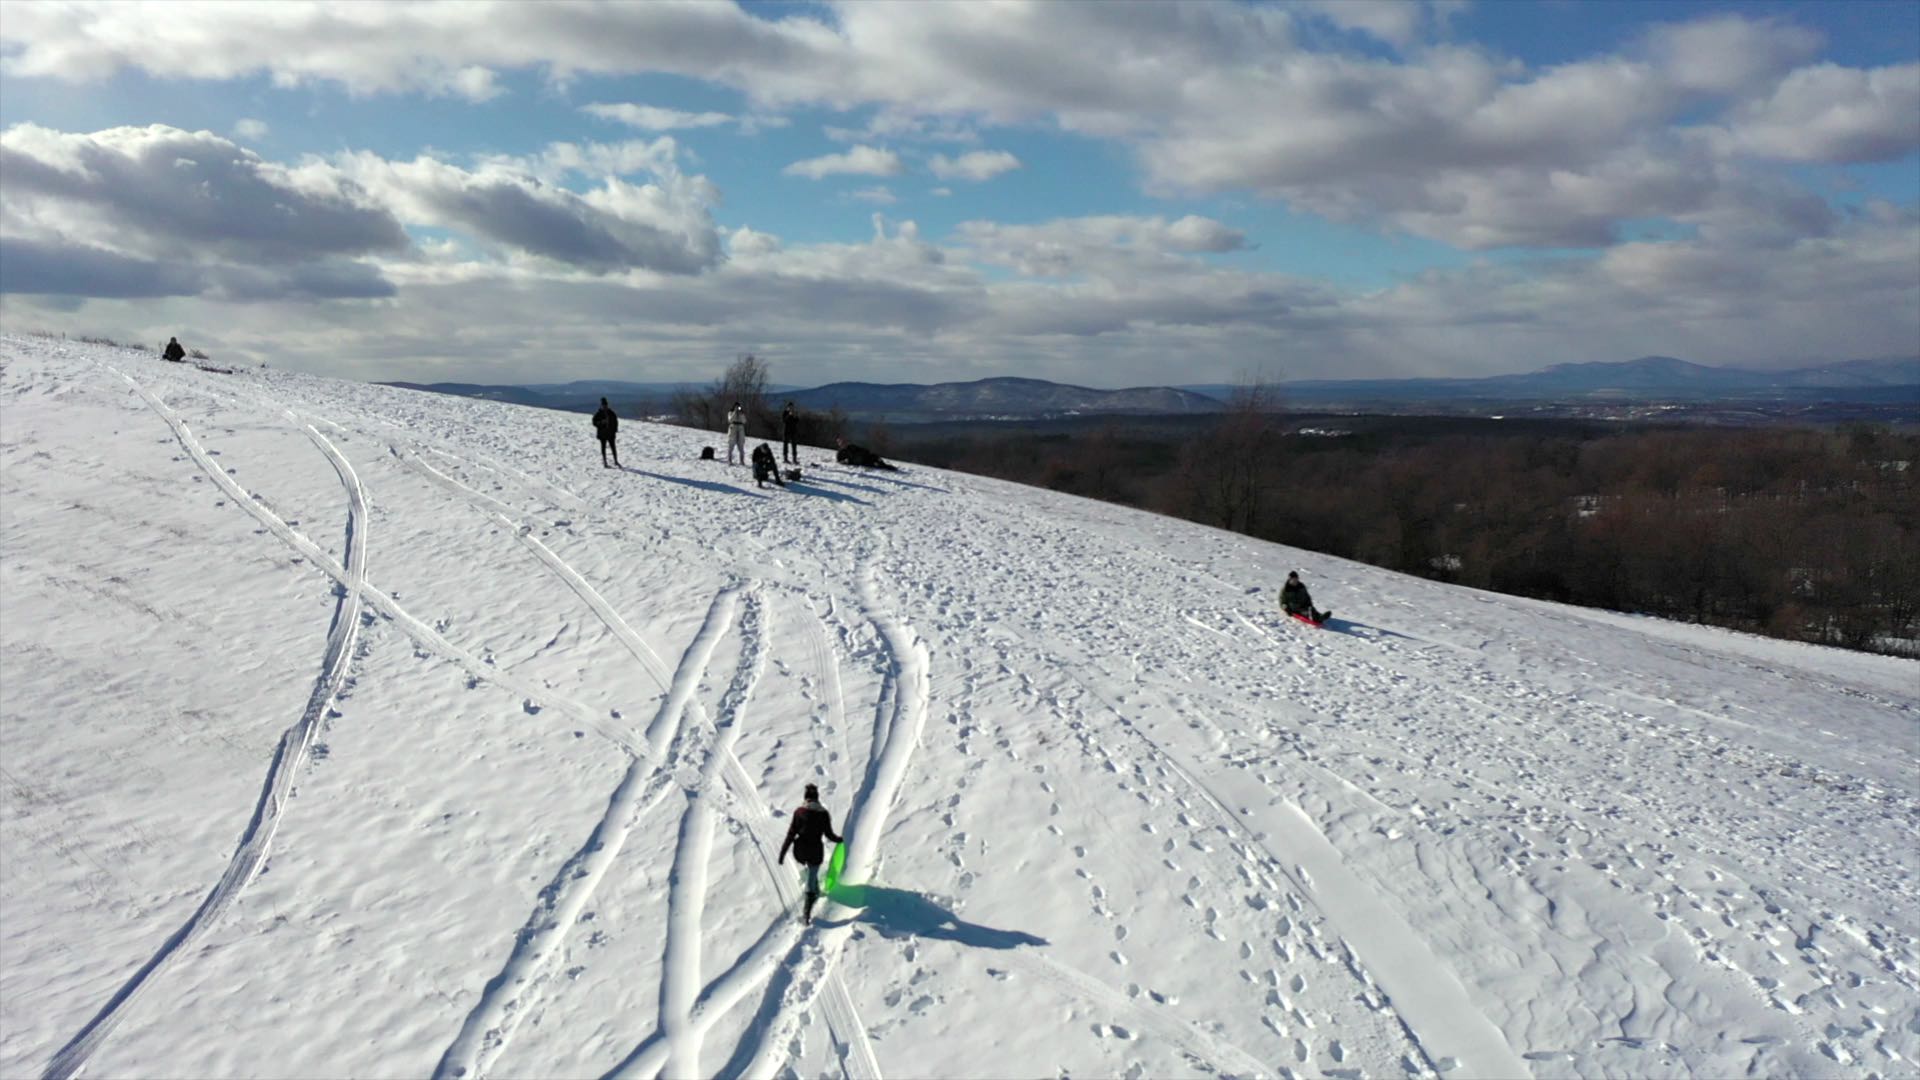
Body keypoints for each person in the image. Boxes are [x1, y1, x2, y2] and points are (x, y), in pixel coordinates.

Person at [777, 783, 843, 925]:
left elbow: (791, 834)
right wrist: (841, 840)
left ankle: (816, 890)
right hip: (815, 851)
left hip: (800, 851)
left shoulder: (799, 812)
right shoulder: (823, 814)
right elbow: (829, 835)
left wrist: (782, 853)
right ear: (817, 798)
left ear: (806, 798)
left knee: (811, 871)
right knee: (812, 875)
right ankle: (806, 913)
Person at [591, 397, 620, 468]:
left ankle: (616, 461)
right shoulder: (598, 414)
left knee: (613, 447)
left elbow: (615, 422)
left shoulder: (611, 413)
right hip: (602, 434)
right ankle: (605, 461)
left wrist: (615, 430)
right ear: (601, 406)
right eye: (603, 405)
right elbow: (594, 422)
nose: (605, 407)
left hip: (611, 433)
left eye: (606, 405)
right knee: (603, 447)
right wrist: (601, 423)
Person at [726, 401, 747, 466]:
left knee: (741, 445)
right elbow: (730, 420)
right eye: (736, 407)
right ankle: (729, 460)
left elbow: (744, 421)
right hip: (733, 427)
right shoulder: (730, 413)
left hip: (740, 428)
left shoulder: (742, 413)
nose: (737, 408)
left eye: (738, 407)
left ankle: (742, 461)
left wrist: (741, 414)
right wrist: (735, 412)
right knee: (731, 444)